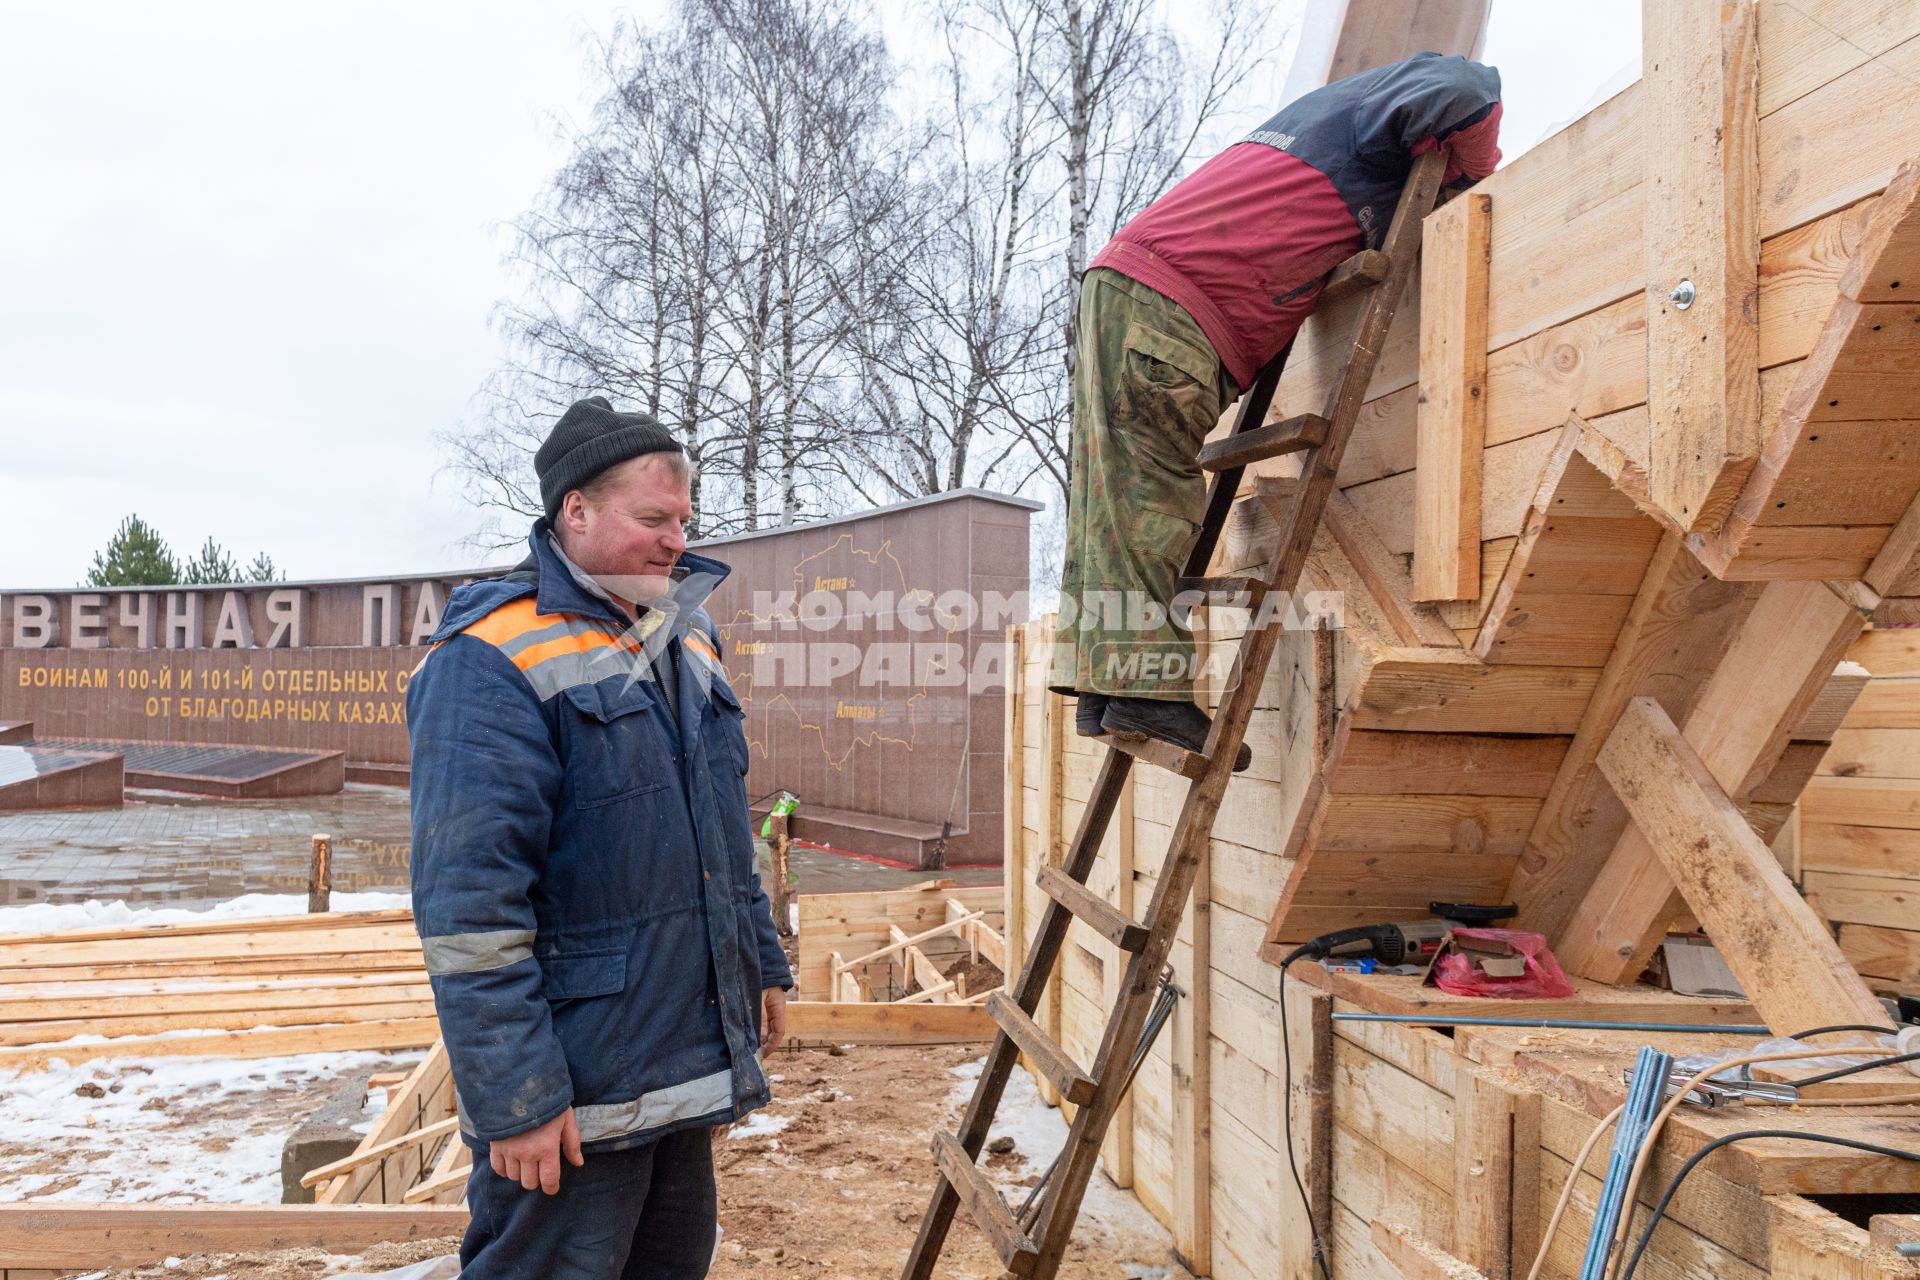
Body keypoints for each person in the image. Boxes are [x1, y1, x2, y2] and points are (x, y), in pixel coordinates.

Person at [407, 396, 792, 1280]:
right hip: (571, 1096)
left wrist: (760, 964)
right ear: (574, 511)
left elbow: (720, 834)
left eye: (683, 520)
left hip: (680, 1060)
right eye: (652, 519)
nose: (674, 539)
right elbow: (469, 904)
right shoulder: (490, 655)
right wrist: (517, 1096)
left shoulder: (687, 637)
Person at [1051, 52, 1503, 766]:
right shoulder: (1366, 110)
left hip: (1133, 292)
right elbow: (1468, 87)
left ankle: (1103, 686)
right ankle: (1144, 690)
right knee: (1151, 496)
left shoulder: (1316, 128)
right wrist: (1474, 173)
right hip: (1170, 303)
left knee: (1111, 498)